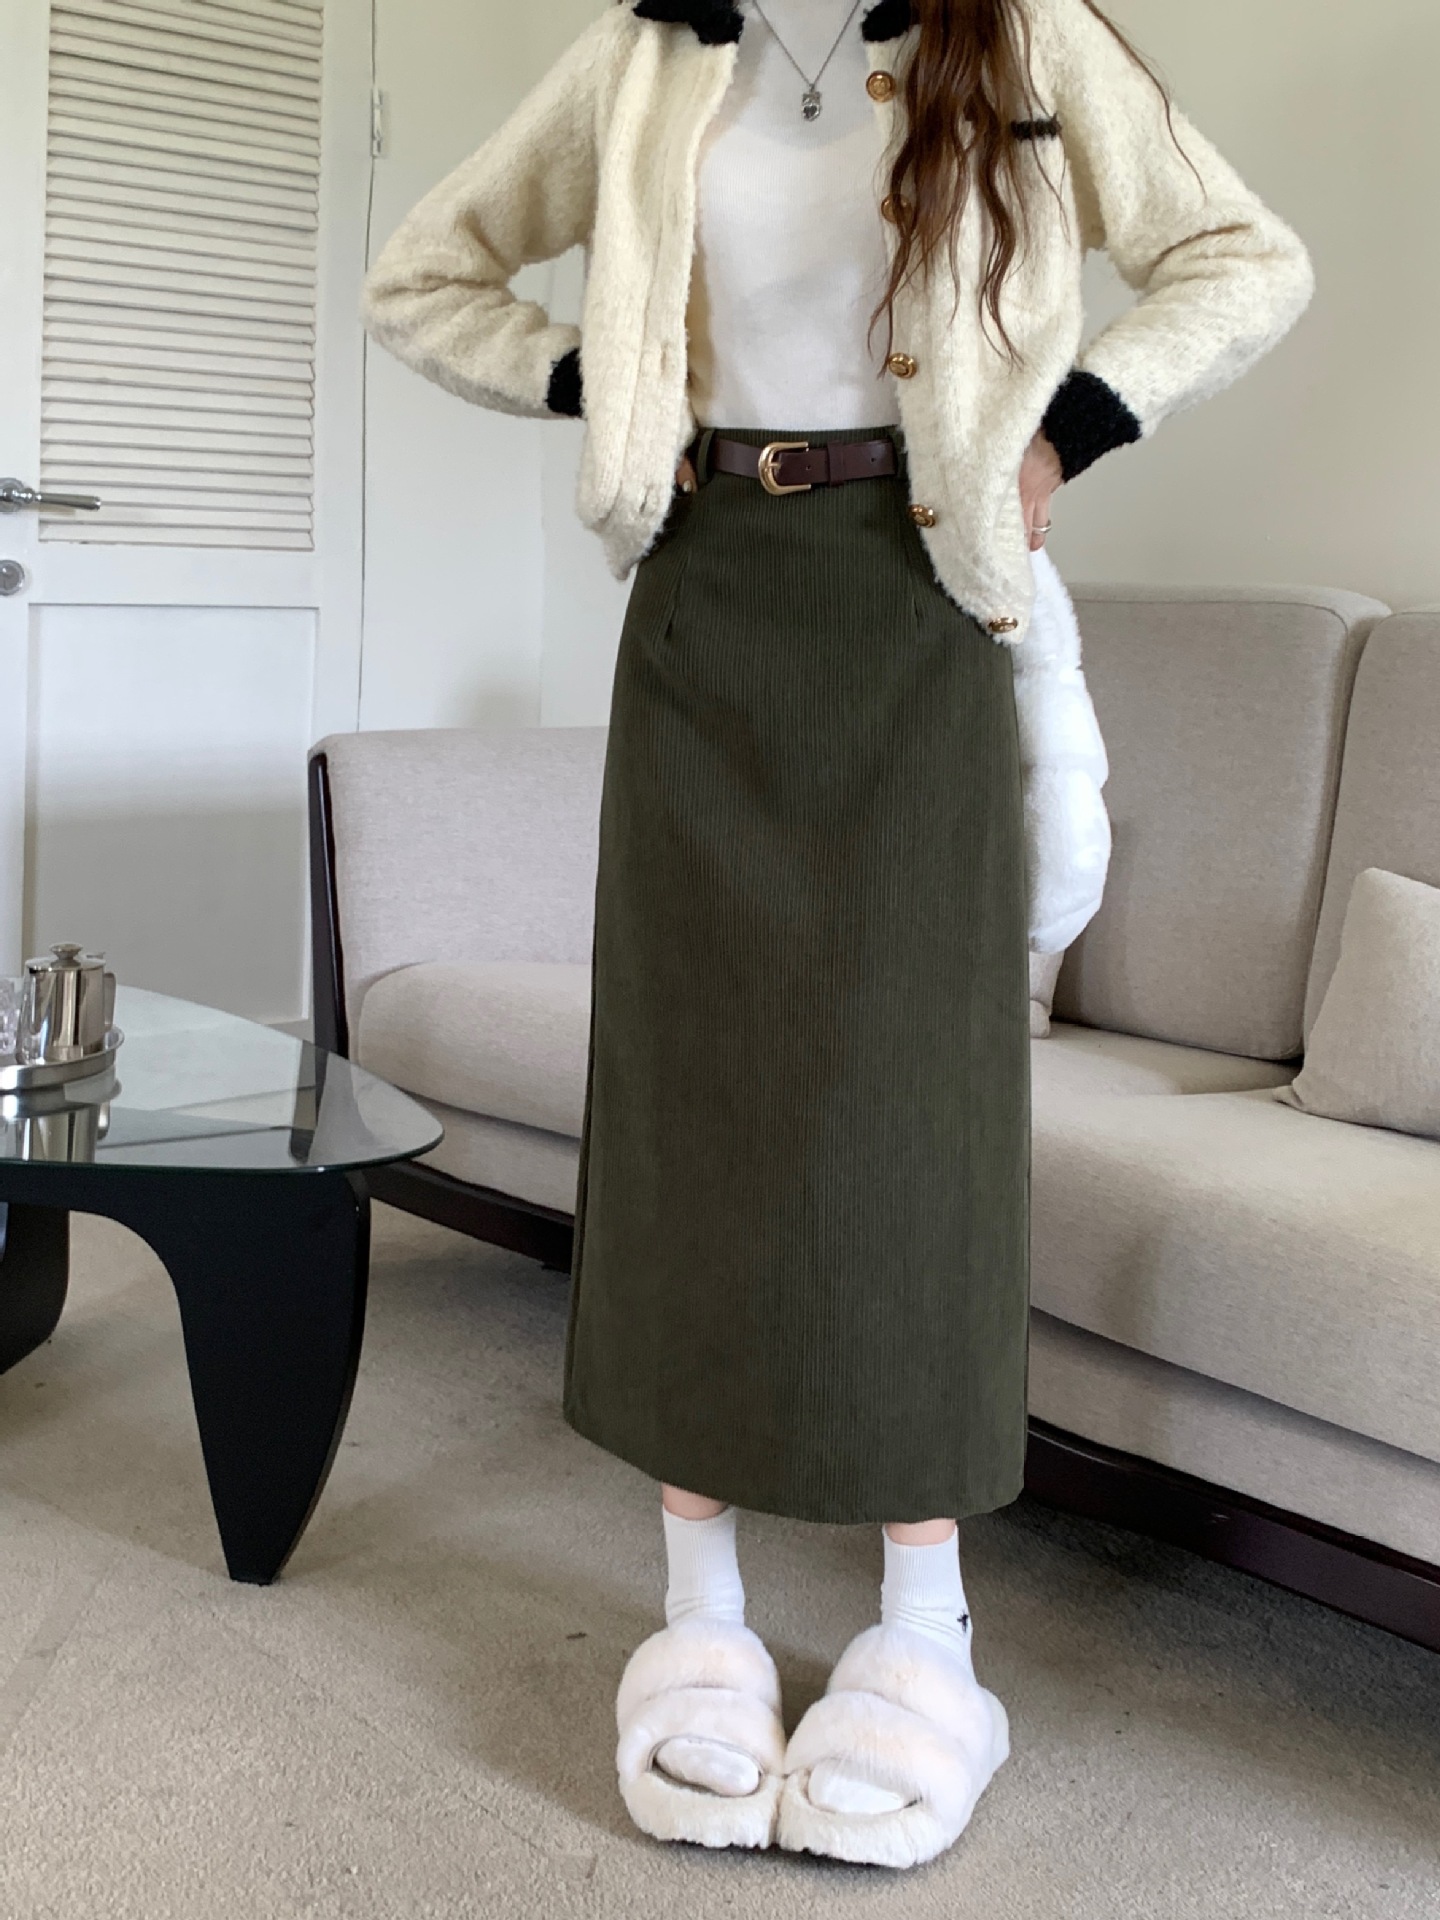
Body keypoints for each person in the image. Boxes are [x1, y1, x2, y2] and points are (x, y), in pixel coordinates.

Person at [363, 0, 1313, 1871]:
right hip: (705, 598)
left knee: (912, 1123)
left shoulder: (1021, 33)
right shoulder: (645, 55)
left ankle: (927, 1643)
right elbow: (425, 275)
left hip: (920, 606)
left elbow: (1242, 257)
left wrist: (1067, 429)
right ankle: (700, 1618)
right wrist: (608, 385)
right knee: (692, 1106)